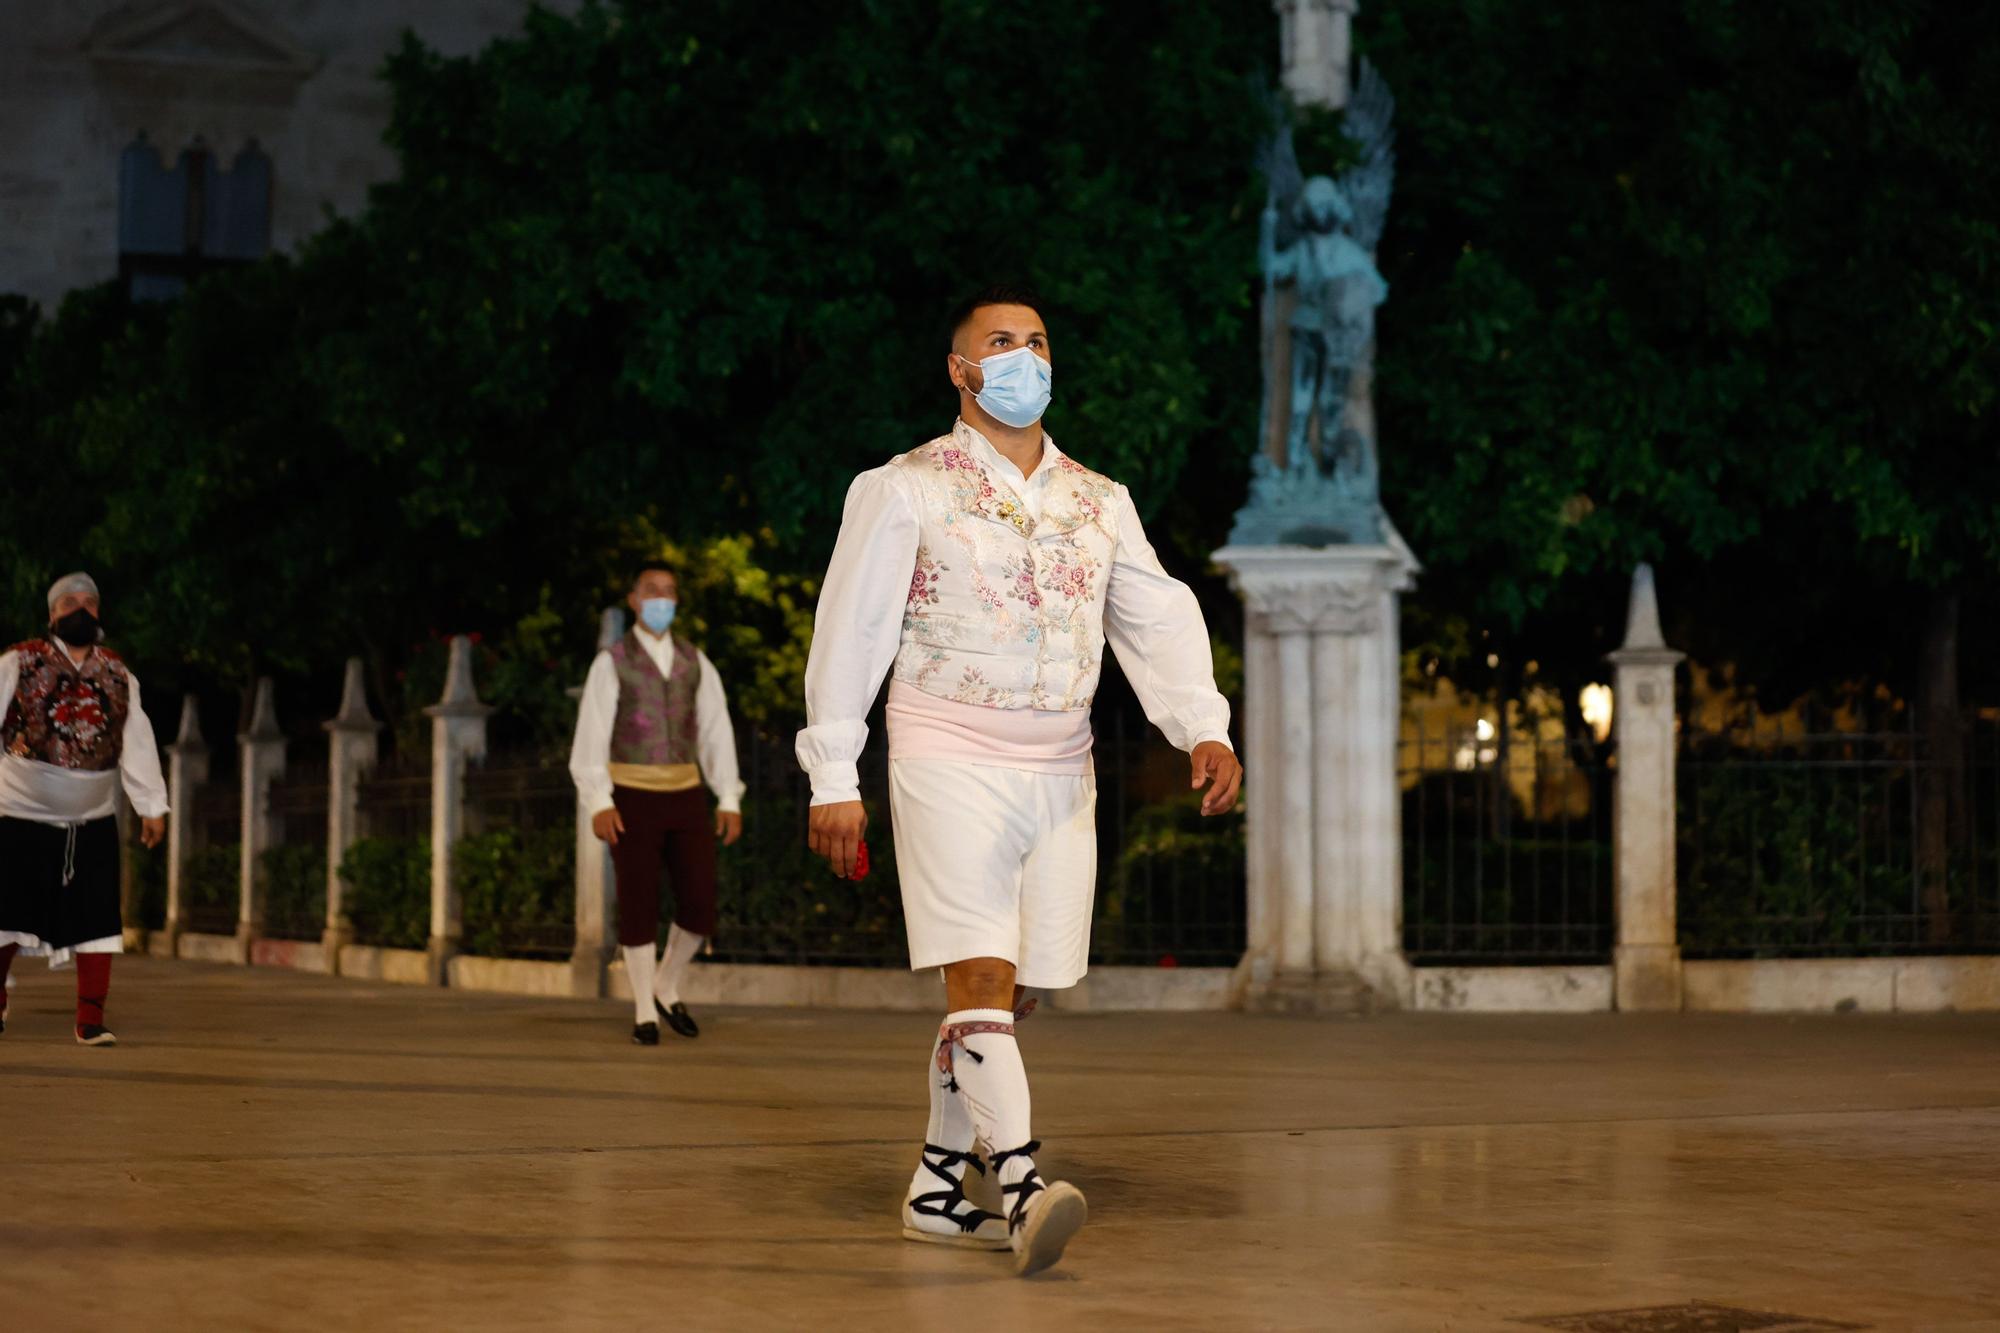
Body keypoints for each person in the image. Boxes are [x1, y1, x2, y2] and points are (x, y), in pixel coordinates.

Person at [797, 286, 1243, 1276]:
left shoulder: (1099, 498)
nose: (1021, 356)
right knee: (979, 979)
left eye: (1035, 341)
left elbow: (1154, 616)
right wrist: (834, 766)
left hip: (1058, 767)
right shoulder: (903, 486)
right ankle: (1024, 1187)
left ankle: (933, 1183)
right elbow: (852, 628)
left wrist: (1199, 725)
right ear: (959, 370)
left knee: (1013, 991)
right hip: (943, 751)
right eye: (999, 342)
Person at [570, 566, 745, 1045]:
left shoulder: (695, 661)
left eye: (669, 592)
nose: (661, 599)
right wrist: (598, 800)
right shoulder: (612, 661)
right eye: (652, 591)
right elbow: (592, 734)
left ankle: (668, 983)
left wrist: (727, 795)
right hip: (629, 794)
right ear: (633, 599)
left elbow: (715, 730)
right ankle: (645, 1007)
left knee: (699, 899)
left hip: (686, 792)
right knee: (638, 900)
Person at [0, 573, 168, 1046]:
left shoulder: (118, 673)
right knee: (6, 914)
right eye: (69, 602)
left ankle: (90, 1018)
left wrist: (151, 805)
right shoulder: (20, 660)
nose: (80, 609)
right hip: (20, 811)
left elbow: (137, 742)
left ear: (99, 612)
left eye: (89, 602)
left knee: (97, 920)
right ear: (52, 613)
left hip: (92, 817)